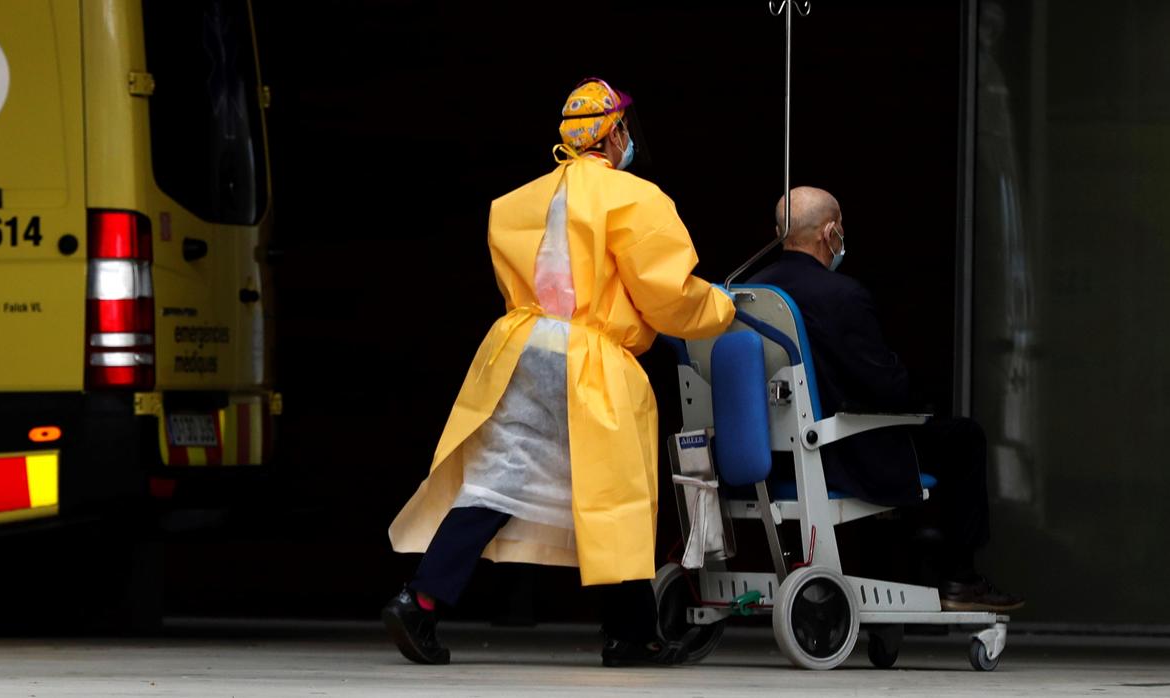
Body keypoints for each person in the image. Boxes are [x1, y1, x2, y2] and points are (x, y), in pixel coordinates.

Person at [383, 78, 736, 667]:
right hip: (591, 357)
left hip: (522, 349)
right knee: (617, 492)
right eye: (625, 129)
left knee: (496, 480)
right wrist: (719, 308)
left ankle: (419, 601)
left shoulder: (524, 197)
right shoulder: (633, 197)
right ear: (614, 132)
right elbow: (667, 295)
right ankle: (630, 636)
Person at [747, 186, 1023, 612]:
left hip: (768, 458)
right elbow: (889, 389)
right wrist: (919, 400)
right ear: (830, 232)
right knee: (963, 438)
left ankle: (898, 571)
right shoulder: (841, 295)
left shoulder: (749, 294)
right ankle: (960, 580)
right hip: (841, 452)